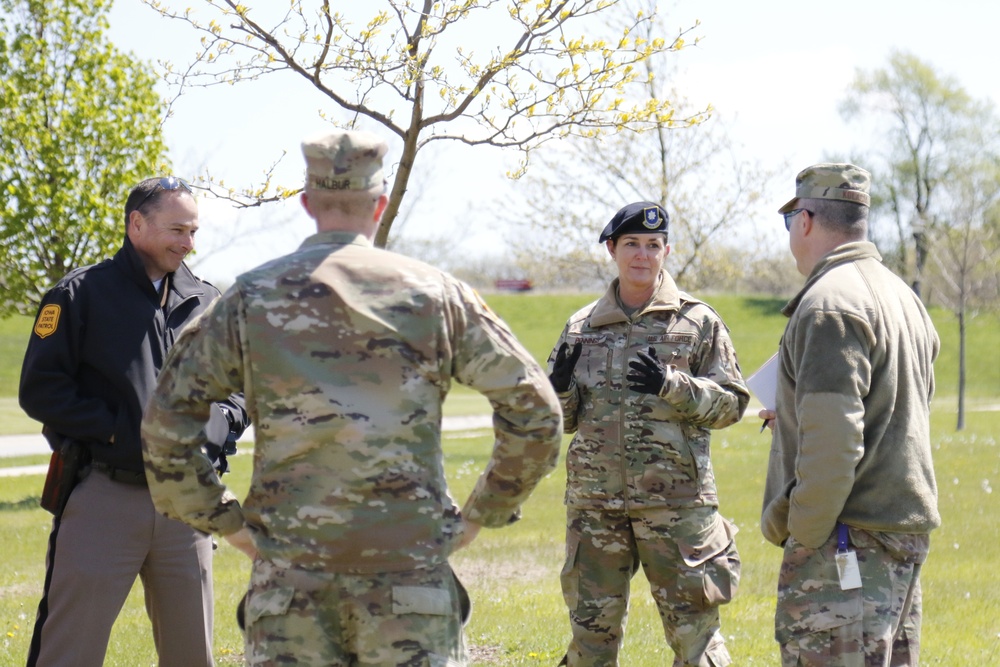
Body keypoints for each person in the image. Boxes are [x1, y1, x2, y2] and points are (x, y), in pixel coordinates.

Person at [140, 129, 564, 666]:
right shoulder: (433, 293)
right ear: (380, 205)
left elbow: (164, 425)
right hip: (410, 583)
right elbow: (536, 411)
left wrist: (227, 522)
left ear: (308, 204)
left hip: (289, 589)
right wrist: (483, 512)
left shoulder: (250, 299)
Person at [19, 176, 250, 667]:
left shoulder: (208, 302)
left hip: (187, 507)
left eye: (192, 232)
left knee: (192, 655)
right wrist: (119, 432)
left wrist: (220, 425)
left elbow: (239, 386)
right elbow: (42, 389)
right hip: (105, 497)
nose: (188, 243)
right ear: (137, 224)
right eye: (177, 230)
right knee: (69, 652)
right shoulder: (78, 294)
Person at [547, 202, 749, 667]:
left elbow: (732, 405)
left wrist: (672, 386)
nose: (643, 255)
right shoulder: (581, 329)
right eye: (632, 245)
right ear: (612, 250)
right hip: (596, 508)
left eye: (654, 246)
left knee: (695, 639)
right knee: (590, 642)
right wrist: (557, 392)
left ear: (667, 251)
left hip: (676, 509)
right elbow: (565, 421)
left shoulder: (697, 322)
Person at [759, 163, 940, 666]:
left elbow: (835, 442)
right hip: (896, 536)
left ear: (806, 220)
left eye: (791, 218)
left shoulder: (828, 305)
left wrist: (804, 534)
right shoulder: (903, 297)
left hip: (845, 540)